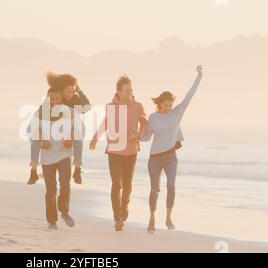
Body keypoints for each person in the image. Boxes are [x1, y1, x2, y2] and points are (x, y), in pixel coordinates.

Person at [143, 65, 203, 234]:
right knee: (154, 189)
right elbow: (147, 137)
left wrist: (199, 76)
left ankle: (169, 218)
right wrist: (135, 137)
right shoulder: (153, 118)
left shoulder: (177, 113)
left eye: (170, 105)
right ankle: (152, 218)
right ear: (159, 104)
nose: (168, 108)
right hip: (154, 158)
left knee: (171, 187)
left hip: (171, 157)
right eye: (165, 105)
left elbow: (189, 96)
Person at [90, 75, 147, 231]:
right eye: (127, 91)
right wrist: (95, 138)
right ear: (118, 91)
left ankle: (124, 207)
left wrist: (139, 135)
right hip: (114, 152)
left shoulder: (138, 106)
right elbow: (105, 123)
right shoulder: (110, 106)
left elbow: (144, 123)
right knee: (116, 184)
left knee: (127, 185)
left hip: (131, 151)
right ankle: (117, 218)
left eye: (131, 90)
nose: (130, 94)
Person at [28, 72, 91, 185]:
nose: (70, 94)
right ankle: (33, 169)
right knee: (36, 136)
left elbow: (87, 107)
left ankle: (77, 168)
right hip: (51, 132)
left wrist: (79, 92)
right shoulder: (50, 99)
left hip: (67, 129)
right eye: (68, 91)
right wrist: (43, 137)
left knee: (77, 137)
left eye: (73, 91)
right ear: (61, 90)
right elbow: (40, 119)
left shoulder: (74, 100)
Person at [28, 85, 77, 229]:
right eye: (51, 99)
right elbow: (30, 133)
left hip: (64, 154)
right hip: (47, 158)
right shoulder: (40, 113)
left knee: (65, 185)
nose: (54, 101)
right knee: (51, 190)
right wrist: (41, 139)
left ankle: (64, 211)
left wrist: (71, 139)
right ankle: (52, 221)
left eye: (57, 98)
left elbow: (77, 130)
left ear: (61, 99)